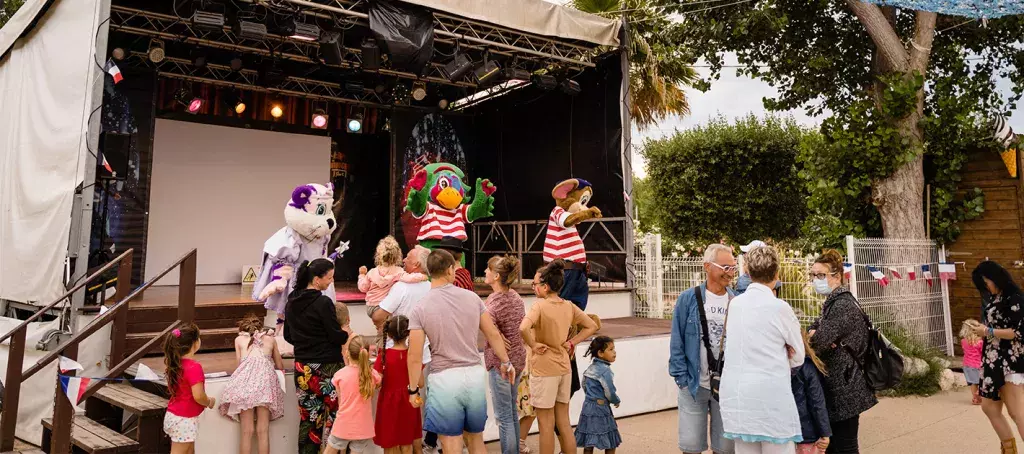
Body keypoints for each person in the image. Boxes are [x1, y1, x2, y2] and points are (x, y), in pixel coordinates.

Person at [406, 249, 516, 454]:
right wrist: (506, 362)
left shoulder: (420, 307)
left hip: (444, 379)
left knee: (450, 442)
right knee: (476, 440)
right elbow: (492, 334)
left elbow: (414, 356)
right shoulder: (472, 298)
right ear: (449, 270)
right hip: (473, 374)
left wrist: (413, 389)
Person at [720, 245, 804, 454]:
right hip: (771, 396)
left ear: (747, 271)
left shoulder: (736, 305)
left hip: (738, 396)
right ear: (776, 274)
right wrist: (785, 352)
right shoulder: (780, 308)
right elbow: (799, 356)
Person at [520, 259, 599, 454]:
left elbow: (522, 327)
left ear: (545, 287)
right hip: (564, 366)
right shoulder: (569, 306)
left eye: (536, 284)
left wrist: (533, 344)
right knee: (563, 421)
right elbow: (592, 325)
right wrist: (572, 342)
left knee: (546, 424)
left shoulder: (539, 306)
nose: (534, 287)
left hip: (544, 368)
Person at [669, 243, 737, 454]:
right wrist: (682, 379)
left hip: (727, 387)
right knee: (690, 447)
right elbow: (677, 340)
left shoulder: (737, 301)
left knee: (725, 448)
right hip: (693, 384)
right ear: (707, 266)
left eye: (733, 267)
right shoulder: (688, 299)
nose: (730, 272)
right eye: (725, 267)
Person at [807, 249, 876, 454]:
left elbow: (817, 342)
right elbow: (817, 328)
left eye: (820, 275)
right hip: (843, 384)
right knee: (835, 446)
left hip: (846, 387)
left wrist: (814, 334)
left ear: (836, 276)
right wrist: (815, 332)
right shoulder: (835, 302)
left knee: (845, 447)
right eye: (813, 275)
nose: (815, 280)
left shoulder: (841, 306)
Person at [284, 258, 351, 454]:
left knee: (309, 419)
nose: (331, 282)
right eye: (329, 278)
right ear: (316, 279)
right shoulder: (323, 302)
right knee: (336, 418)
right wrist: (345, 332)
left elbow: (288, 335)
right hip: (328, 368)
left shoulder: (292, 301)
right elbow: (335, 336)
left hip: (303, 369)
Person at [970, 261, 1024, 454]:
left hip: (1009, 361)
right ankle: (1009, 450)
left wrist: (988, 331)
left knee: (1017, 413)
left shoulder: (1015, 298)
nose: (986, 286)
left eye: (986, 281)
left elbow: (1018, 332)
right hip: (992, 360)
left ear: (995, 277)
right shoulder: (995, 298)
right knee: (989, 408)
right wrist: (982, 331)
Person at [218, 314, 286, 454]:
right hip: (265, 386)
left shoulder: (239, 340)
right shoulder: (270, 340)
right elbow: (280, 365)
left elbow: (239, 365)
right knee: (263, 431)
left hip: (245, 386)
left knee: (246, 431)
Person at [483, 255, 529, 454]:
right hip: (518, 359)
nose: (484, 272)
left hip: (502, 363)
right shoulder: (515, 297)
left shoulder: (494, 301)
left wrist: (497, 334)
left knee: (504, 418)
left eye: (487, 269)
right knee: (511, 412)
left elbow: (485, 324)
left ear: (496, 276)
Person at [162, 323, 216, 454]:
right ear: (195, 343)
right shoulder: (194, 367)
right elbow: (198, 396)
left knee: (189, 451)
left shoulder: (175, 364)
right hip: (184, 420)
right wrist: (208, 401)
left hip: (174, 415)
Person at [374, 316, 423, 453]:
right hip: (409, 401)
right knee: (407, 442)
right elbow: (421, 383)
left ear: (388, 334)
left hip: (388, 404)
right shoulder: (413, 356)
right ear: (408, 333)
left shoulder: (383, 355)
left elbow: (377, 383)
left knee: (389, 443)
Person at [326, 335, 382, 454]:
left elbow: (340, 401)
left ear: (347, 353)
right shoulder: (372, 374)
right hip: (363, 427)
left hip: (343, 424)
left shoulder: (340, 375)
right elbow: (378, 382)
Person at [575, 336, 621, 454]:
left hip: (588, 407)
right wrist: (616, 400)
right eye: (611, 349)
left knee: (589, 438)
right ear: (600, 353)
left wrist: (590, 397)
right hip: (601, 408)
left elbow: (584, 384)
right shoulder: (605, 371)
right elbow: (609, 390)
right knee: (610, 438)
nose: (614, 352)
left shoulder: (590, 368)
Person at [793, 332, 831, 454]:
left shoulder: (778, 367)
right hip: (808, 432)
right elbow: (817, 402)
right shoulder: (807, 366)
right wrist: (825, 433)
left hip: (784, 433)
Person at [359, 235, 406, 318]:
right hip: (387, 307)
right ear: (398, 255)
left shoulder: (372, 272)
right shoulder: (399, 271)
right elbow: (409, 280)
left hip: (371, 307)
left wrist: (362, 275)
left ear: (378, 255)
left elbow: (363, 288)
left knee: (382, 327)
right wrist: (422, 276)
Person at [961, 319, 984, 405]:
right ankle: (979, 396)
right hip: (977, 365)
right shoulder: (980, 342)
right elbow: (982, 353)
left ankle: (975, 398)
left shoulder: (963, 341)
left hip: (967, 365)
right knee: (981, 381)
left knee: (973, 383)